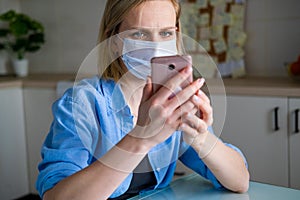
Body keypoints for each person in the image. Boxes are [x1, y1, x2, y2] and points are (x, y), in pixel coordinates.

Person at [36, 0, 250, 199]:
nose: (156, 47)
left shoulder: (173, 101)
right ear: (113, 42)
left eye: (166, 33)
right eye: (139, 34)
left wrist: (201, 138)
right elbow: (57, 196)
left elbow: (240, 182)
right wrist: (141, 138)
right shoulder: (82, 102)